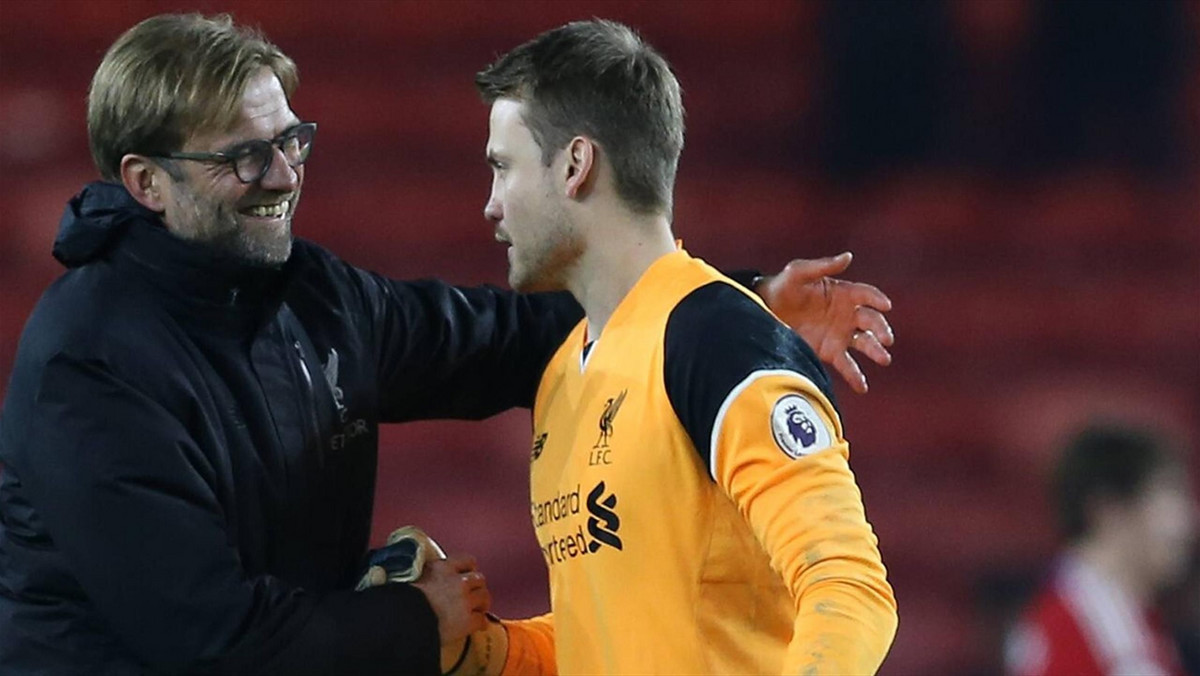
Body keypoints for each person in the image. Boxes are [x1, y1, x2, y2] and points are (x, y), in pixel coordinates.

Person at [0, 13, 895, 676]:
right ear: (146, 183)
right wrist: (423, 631)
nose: (283, 176)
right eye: (245, 157)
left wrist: (739, 299)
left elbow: (847, 591)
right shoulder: (86, 367)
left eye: (292, 141)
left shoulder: (312, 299)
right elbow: (210, 641)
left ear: (575, 166)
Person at [453, 19, 897, 675]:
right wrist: (487, 653)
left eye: (503, 168)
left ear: (576, 165)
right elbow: (614, 636)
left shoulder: (718, 343)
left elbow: (848, 584)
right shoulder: (565, 373)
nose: (490, 205)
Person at [1005, 424, 1197, 676]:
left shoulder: (1080, 613)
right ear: (1109, 511)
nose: (1189, 519)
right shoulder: (1102, 638)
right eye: (1169, 495)